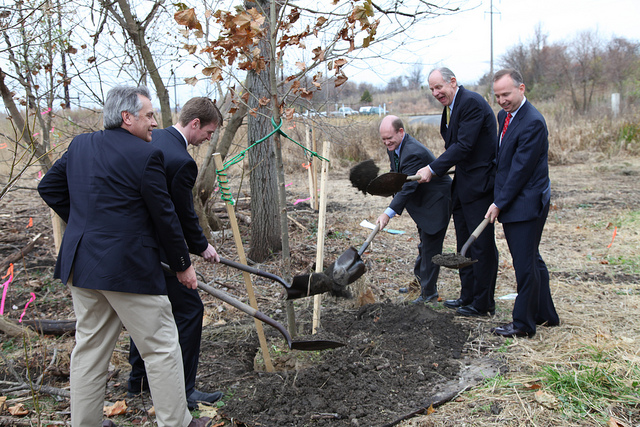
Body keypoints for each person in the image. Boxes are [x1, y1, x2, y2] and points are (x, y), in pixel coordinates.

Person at [38, 86, 210, 427]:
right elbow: (165, 217)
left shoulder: (80, 145)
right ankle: (177, 421)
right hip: (127, 270)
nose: (154, 123)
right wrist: (183, 266)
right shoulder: (146, 156)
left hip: (82, 265)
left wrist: (87, 224)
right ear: (126, 117)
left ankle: (84, 423)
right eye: (148, 116)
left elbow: (50, 188)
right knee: (161, 346)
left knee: (89, 349)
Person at [128, 97, 224, 409]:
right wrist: (200, 247)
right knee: (190, 311)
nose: (208, 139)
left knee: (144, 312)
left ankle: (139, 381)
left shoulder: (157, 138)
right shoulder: (182, 161)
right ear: (195, 124)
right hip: (160, 251)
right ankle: (183, 389)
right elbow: (181, 214)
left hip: (135, 248)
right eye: (208, 132)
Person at [416, 67, 499, 317]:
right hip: (463, 185)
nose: (435, 93)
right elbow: (453, 143)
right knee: (464, 242)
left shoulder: (471, 103)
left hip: (480, 186)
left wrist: (433, 168)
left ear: (453, 82)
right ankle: (468, 296)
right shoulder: (450, 108)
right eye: (431, 89)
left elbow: (464, 146)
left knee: (481, 245)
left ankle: (483, 304)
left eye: (439, 87)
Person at [486, 69, 560, 338]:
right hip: (516, 198)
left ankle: (523, 324)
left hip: (526, 202)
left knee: (525, 264)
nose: (502, 100)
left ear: (521, 88)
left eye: (506, 94)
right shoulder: (504, 116)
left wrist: (498, 203)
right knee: (533, 259)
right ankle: (545, 315)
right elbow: (504, 158)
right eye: (497, 96)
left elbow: (520, 170)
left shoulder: (532, 122)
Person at [375, 115, 452, 303]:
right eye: (383, 139)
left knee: (430, 249)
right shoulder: (395, 148)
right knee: (423, 245)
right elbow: (399, 177)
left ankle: (429, 294)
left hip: (436, 203)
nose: (386, 142)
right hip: (423, 202)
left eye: (389, 138)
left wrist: (388, 212)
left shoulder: (412, 152)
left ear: (401, 132)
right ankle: (420, 283)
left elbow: (408, 186)